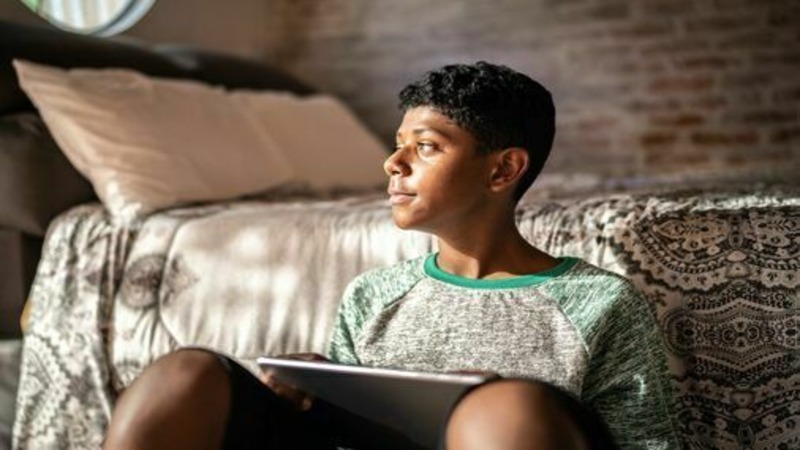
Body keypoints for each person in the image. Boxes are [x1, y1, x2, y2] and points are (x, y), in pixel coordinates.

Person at [103, 62, 680, 450]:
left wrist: (479, 402)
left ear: (503, 169)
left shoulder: (600, 303)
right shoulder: (373, 295)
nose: (393, 164)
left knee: (501, 408)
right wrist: (315, 389)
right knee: (185, 374)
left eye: (425, 147)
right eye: (398, 144)